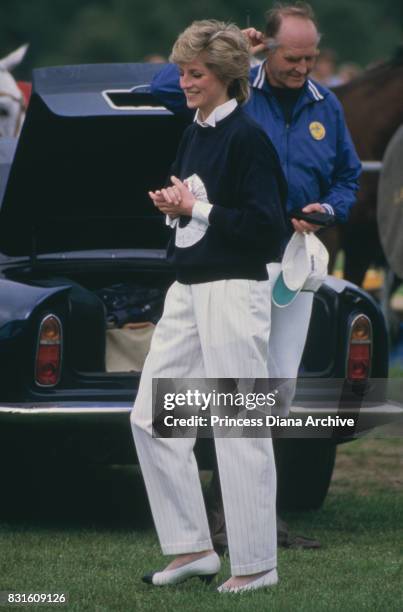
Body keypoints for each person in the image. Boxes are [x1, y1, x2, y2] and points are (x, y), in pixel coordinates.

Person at [150, 1, 361, 550]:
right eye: (292, 57)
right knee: (234, 389)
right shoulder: (234, 93)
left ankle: (249, 515)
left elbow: (347, 175)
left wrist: (328, 210)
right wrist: (224, 53)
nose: (302, 67)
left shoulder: (327, 106)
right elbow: (164, 88)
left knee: (277, 389)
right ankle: (225, 517)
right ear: (267, 49)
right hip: (236, 254)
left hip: (295, 253)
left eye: (311, 57)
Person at [131, 20, 288, 593]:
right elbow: (202, 209)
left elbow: (267, 229)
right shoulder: (196, 128)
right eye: (182, 71)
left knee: (238, 427)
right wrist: (176, 206)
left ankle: (257, 565)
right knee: (150, 418)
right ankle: (192, 548)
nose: (184, 82)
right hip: (189, 287)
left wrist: (196, 208)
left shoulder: (248, 137)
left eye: (195, 74)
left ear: (224, 78)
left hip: (235, 290)